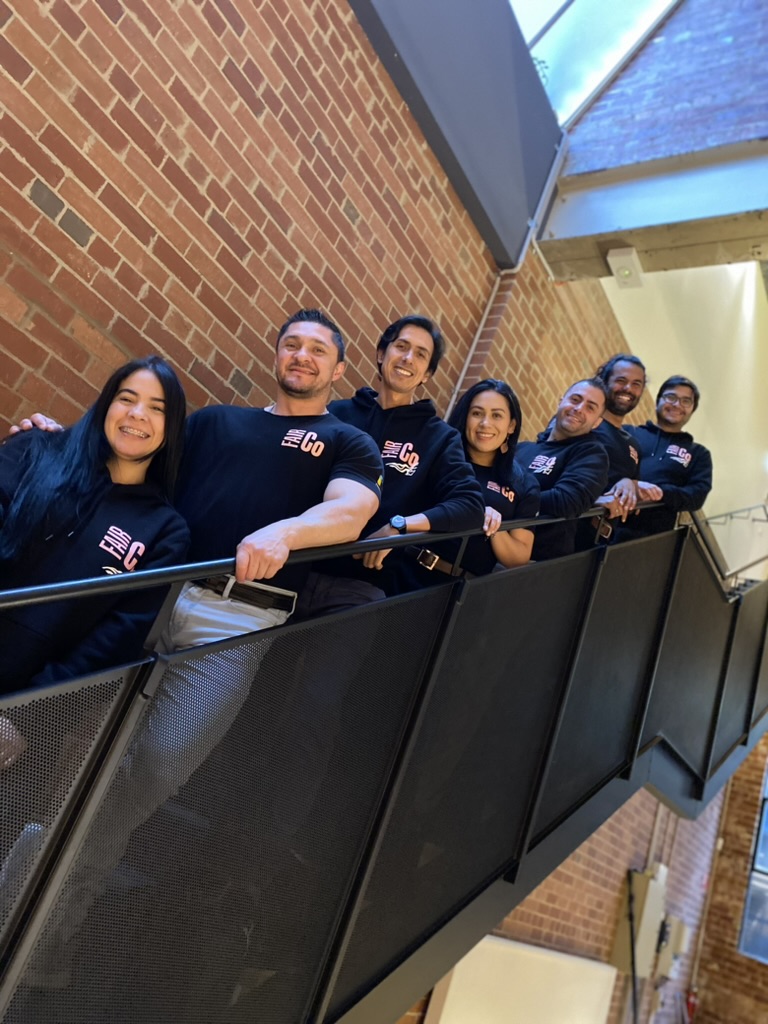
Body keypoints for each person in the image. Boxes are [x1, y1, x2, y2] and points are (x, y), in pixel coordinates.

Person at [0, 356, 189, 757]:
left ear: (171, 430)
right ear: (106, 404)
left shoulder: (165, 532)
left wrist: (25, 717)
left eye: (158, 408)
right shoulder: (36, 450)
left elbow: (113, 642)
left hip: (14, 709)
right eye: (127, 398)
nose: (138, 414)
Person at [299, 314, 484, 611]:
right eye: (401, 346)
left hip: (365, 588)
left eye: (421, 355)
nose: (408, 358)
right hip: (299, 568)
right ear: (382, 354)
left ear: (426, 374)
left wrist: (399, 527)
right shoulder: (337, 414)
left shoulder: (439, 438)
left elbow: (470, 506)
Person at [443, 379, 540, 574]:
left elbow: (519, 558)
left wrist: (493, 525)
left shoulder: (524, 484)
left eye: (497, 415)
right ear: (465, 417)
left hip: (460, 591)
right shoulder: (441, 456)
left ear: (511, 425)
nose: (485, 424)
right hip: (404, 569)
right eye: (477, 413)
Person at [516, 378, 610, 560]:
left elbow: (567, 500)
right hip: (490, 548)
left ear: (597, 422)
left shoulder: (592, 454)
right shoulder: (522, 449)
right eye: (575, 399)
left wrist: (507, 500)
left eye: (590, 407)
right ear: (561, 401)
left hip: (536, 564)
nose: (579, 408)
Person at [619, 375, 712, 537]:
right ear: (658, 401)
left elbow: (697, 495)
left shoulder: (698, 454)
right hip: (604, 520)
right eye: (671, 397)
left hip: (650, 538)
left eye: (686, 401)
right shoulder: (628, 433)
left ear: (692, 409)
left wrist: (661, 493)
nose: (677, 405)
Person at [573, 353, 645, 549]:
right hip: (565, 526)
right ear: (605, 381)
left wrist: (630, 483)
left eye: (636, 384)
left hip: (598, 543)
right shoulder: (582, 420)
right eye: (621, 380)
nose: (628, 388)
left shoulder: (634, 445)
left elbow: (631, 497)